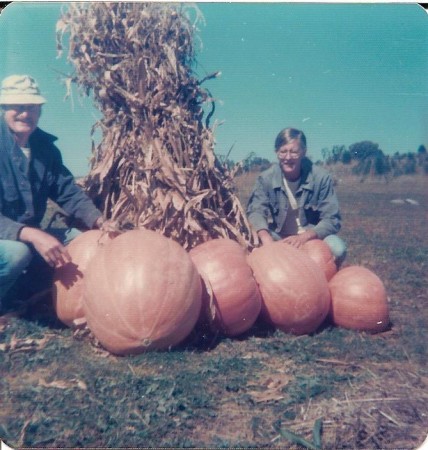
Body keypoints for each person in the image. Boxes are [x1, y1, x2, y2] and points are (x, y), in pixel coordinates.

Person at [0, 74, 107, 311]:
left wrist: (99, 221)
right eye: (18, 107)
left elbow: (68, 191)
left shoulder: (45, 150)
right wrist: (32, 234)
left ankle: (22, 290)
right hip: (11, 241)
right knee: (17, 253)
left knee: (82, 239)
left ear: (40, 111)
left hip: (23, 237)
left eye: (32, 107)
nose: (25, 114)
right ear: (4, 108)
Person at [246, 127, 346, 264]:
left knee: (338, 249)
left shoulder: (321, 178)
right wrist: (267, 241)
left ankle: (328, 281)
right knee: (254, 245)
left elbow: (332, 219)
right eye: (283, 152)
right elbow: (256, 211)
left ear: (304, 152)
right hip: (280, 237)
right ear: (276, 152)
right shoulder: (266, 179)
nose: (288, 157)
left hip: (313, 238)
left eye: (293, 152)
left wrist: (304, 238)